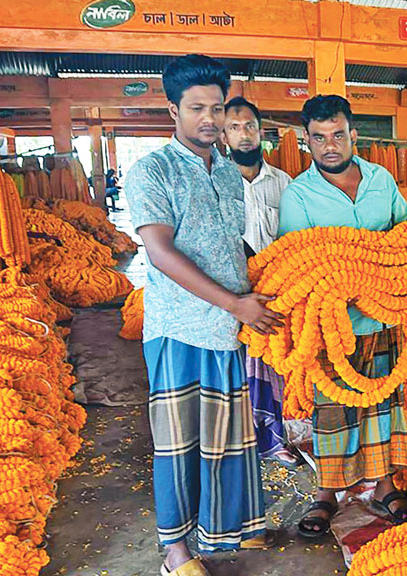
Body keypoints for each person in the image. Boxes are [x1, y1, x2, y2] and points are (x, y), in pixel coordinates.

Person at [125, 54, 282, 576]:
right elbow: (161, 253)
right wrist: (235, 302)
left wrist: (279, 275)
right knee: (179, 444)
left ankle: (222, 530)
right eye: (197, 108)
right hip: (180, 329)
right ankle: (176, 553)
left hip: (229, 328)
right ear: (173, 109)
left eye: (217, 108)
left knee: (228, 439)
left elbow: (230, 244)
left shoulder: (230, 174)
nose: (210, 119)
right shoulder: (153, 170)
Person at [278, 95, 407, 539]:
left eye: (337, 135)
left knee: (384, 408)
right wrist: (343, 284)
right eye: (319, 138)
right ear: (306, 142)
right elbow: (297, 262)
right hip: (334, 327)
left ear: (353, 134)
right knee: (333, 413)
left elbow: (405, 234)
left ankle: (386, 489)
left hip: (385, 318)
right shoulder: (299, 195)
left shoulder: (381, 180)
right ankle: (327, 495)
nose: (329, 145)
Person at [220, 96, 303, 468]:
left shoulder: (285, 184)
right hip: (231, 293)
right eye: (234, 127)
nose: (244, 134)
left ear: (260, 131)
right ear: (224, 134)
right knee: (236, 369)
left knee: (277, 367)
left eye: (250, 126)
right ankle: (240, 441)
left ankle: (275, 440)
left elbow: (296, 239)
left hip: (277, 292)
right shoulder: (215, 183)